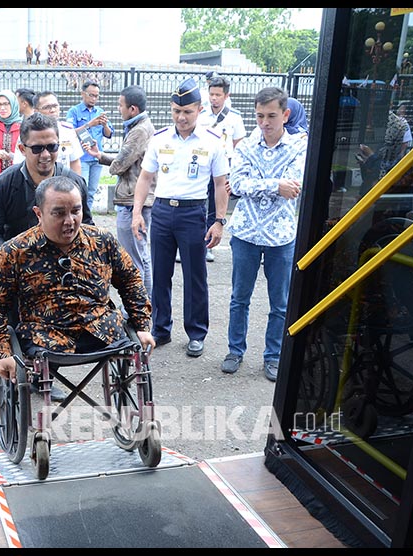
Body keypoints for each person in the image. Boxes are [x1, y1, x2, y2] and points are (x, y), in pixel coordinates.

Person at [0, 175, 155, 387]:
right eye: (59, 213)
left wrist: (142, 325)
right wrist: (2, 352)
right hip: (44, 336)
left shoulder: (102, 241)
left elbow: (131, 280)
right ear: (39, 213)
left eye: (76, 211)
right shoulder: (14, 252)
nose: (70, 221)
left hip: (102, 331)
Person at [131, 77, 229, 358]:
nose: (181, 117)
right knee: (161, 274)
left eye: (187, 111)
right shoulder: (159, 139)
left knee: (195, 275)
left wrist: (219, 221)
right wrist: (137, 212)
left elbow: (221, 183)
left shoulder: (212, 142)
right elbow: (146, 177)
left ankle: (196, 332)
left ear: (199, 109)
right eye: (176, 111)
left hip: (193, 213)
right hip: (162, 211)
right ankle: (161, 329)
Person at [221, 87, 307, 382]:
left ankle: (273, 356)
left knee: (280, 302)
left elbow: (294, 186)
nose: (264, 122)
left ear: (285, 114)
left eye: (271, 116)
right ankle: (235, 350)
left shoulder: (298, 147)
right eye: (259, 116)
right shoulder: (245, 146)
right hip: (245, 233)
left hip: (280, 236)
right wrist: (274, 185)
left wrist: (261, 183)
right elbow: (237, 184)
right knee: (239, 298)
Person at [0, 112, 94, 279]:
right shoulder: (2, 186)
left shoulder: (75, 183)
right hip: (17, 271)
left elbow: (87, 228)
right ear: (22, 149)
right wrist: (12, 257)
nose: (45, 155)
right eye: (37, 148)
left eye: (52, 147)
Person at [84, 85, 156, 298]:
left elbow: (120, 165)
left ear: (132, 109)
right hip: (135, 198)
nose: (118, 109)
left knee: (134, 258)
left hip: (133, 200)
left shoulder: (139, 130)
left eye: (120, 105)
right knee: (141, 255)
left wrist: (107, 160)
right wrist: (100, 156)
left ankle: (139, 309)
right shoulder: (139, 127)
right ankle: (146, 306)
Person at [199, 75, 246, 262]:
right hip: (203, 165)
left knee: (215, 207)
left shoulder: (234, 118)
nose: (214, 98)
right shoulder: (201, 115)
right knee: (199, 205)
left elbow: (238, 145)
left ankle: (209, 244)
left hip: (223, 168)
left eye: (218, 94)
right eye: (211, 94)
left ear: (226, 96)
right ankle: (195, 241)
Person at [67, 79, 114, 211]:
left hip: (97, 158)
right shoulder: (74, 111)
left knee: (92, 191)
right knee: (81, 190)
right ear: (83, 94)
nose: (94, 98)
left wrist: (104, 124)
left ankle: (88, 218)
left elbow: (109, 134)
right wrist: (89, 124)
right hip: (82, 158)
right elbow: (69, 133)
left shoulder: (100, 111)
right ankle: (79, 218)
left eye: (96, 96)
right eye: (91, 95)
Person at [13, 90, 83, 173]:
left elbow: (75, 162)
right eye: (47, 107)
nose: (52, 110)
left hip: (63, 182)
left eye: (55, 106)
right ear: (36, 111)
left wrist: (76, 184)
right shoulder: (27, 132)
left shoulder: (67, 130)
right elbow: (19, 164)